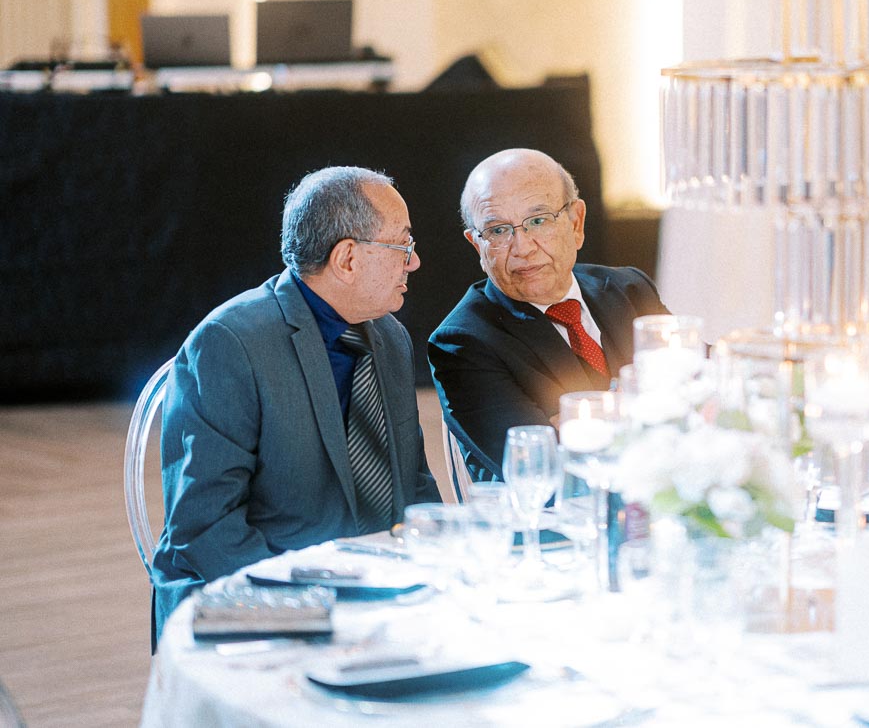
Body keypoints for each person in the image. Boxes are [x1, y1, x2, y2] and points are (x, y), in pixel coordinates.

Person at [151, 166, 440, 644]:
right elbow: (204, 527)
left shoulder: (388, 337)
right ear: (347, 259)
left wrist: (444, 565)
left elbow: (413, 484)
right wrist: (314, 609)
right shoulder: (230, 343)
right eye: (402, 247)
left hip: (376, 596)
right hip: (257, 598)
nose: (414, 263)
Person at [428, 149, 668, 480]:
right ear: (477, 246)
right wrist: (647, 411)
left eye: (538, 221)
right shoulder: (463, 341)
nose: (522, 247)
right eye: (498, 230)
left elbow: (705, 398)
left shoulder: (629, 289)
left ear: (576, 223)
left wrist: (587, 425)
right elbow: (539, 468)